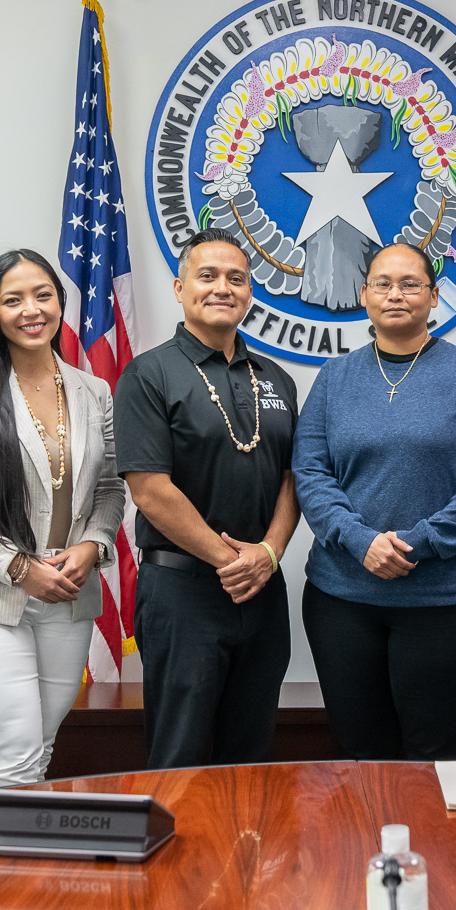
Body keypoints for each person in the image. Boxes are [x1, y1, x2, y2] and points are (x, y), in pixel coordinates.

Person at [291, 242, 456, 760]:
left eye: (411, 284)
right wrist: (360, 539)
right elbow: (310, 471)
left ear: (434, 296)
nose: (396, 294)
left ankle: (431, 846)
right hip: (343, 602)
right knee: (360, 751)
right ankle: (372, 844)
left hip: (450, 605)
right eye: (383, 284)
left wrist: (419, 543)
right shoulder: (334, 378)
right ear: (364, 295)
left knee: (433, 751)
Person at [0, 249, 124, 787]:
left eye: (43, 295)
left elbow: (109, 487)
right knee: (13, 757)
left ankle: (22, 867)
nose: (31, 310)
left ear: (60, 302)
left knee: (39, 750)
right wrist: (18, 568)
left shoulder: (93, 391)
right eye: (13, 299)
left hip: (68, 594)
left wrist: (94, 548)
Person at [114, 229, 300, 768]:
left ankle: (245, 855)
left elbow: (295, 475)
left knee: (252, 751)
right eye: (208, 275)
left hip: (261, 592)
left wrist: (267, 555)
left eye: (236, 278)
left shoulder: (278, 378)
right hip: (182, 592)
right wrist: (232, 561)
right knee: (181, 752)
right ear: (179, 288)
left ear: (250, 293)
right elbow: (149, 491)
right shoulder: (150, 374)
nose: (223, 287)